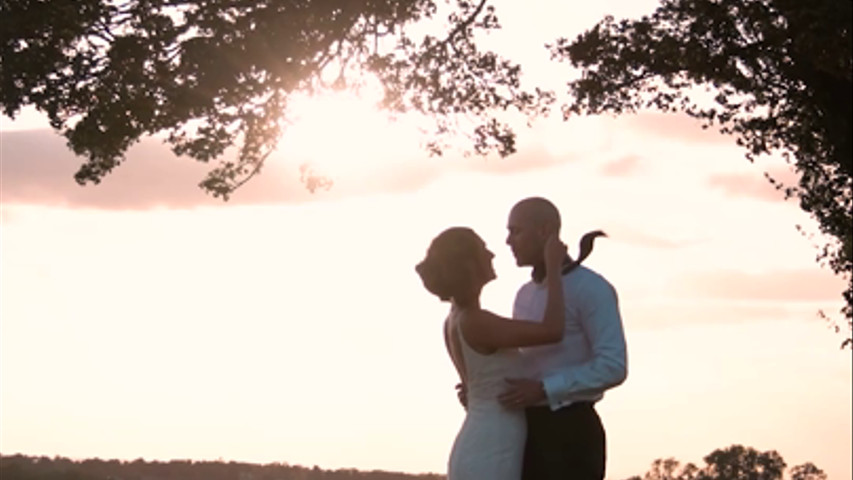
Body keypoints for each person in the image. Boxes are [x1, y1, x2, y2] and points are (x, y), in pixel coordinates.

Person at [415, 226, 568, 480]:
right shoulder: (476, 321)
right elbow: (553, 330)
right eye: (483, 249)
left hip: (486, 438)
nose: (492, 255)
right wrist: (554, 269)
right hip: (491, 446)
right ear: (468, 264)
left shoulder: (455, 319)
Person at [498, 197, 628, 480]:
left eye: (516, 231)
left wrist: (546, 389)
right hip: (525, 431)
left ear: (545, 230)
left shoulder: (592, 288)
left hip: (571, 434)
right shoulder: (523, 294)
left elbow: (613, 365)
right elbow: (527, 363)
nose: (508, 241)